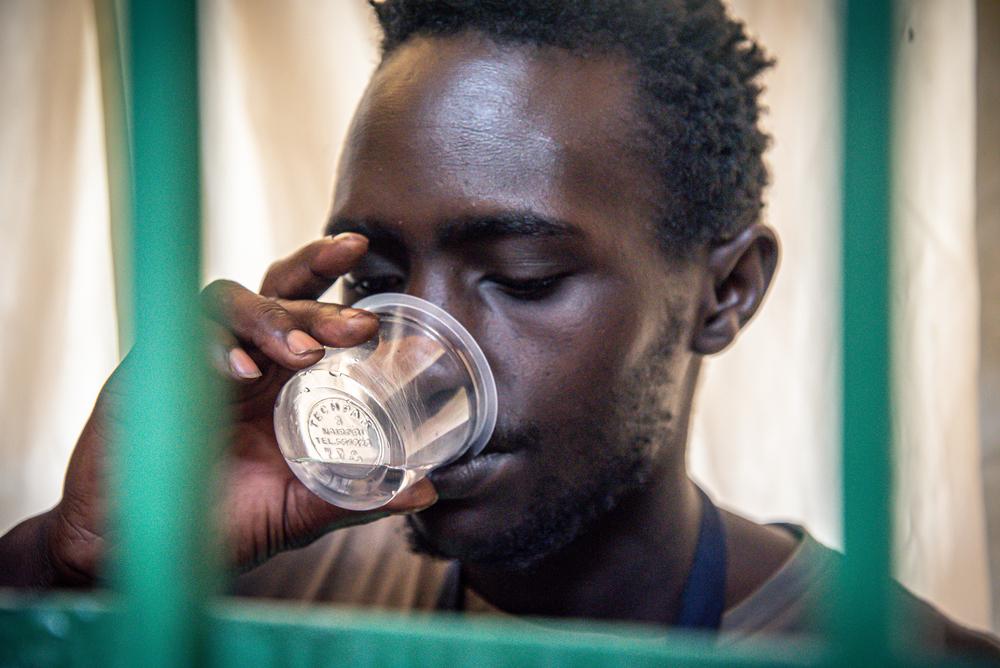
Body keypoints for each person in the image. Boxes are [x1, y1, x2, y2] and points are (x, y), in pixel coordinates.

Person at [1, 0, 998, 658]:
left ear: (724, 291)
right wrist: (74, 561)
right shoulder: (259, 595)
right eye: (380, 278)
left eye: (522, 276)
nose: (420, 346)